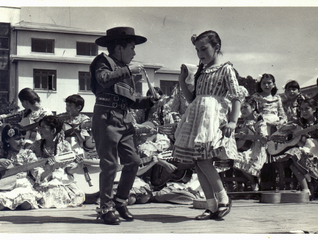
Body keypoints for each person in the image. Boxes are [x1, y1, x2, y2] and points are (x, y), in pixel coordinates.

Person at [89, 26, 159, 225]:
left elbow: (131, 100)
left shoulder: (126, 72)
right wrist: (128, 70)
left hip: (124, 119)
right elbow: (103, 80)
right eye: (131, 48)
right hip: (106, 118)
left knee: (134, 161)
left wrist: (150, 101)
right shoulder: (103, 61)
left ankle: (120, 201)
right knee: (109, 165)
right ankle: (105, 207)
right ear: (119, 48)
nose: (134, 53)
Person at [173, 30, 241, 220]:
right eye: (197, 50)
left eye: (204, 49)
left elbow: (236, 97)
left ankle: (223, 199)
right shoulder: (201, 72)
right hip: (198, 119)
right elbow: (192, 99)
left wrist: (233, 121)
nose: (200, 54)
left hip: (212, 120)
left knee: (204, 160)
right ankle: (211, 206)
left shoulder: (225, 69)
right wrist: (182, 80)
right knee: (198, 162)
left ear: (216, 48)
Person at [29, 115, 85, 208]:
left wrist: (79, 166)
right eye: (39, 127)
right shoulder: (36, 145)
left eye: (43, 127)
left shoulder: (64, 145)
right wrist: (47, 170)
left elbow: (68, 169)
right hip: (42, 177)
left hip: (60, 177)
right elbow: (32, 166)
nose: (39, 130)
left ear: (53, 130)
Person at [273, 98, 318, 200]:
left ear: (314, 109)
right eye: (302, 109)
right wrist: (289, 127)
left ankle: (308, 185)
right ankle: (307, 187)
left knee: (293, 166)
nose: (304, 111)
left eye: (307, 109)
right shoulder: (299, 123)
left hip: (315, 149)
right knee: (292, 155)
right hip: (304, 148)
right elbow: (282, 130)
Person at [0, 124, 41, 210]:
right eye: (18, 139)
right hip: (4, 184)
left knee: (26, 204)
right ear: (7, 139)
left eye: (23, 138)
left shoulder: (28, 154)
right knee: (0, 205)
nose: (22, 141)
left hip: (22, 184)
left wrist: (41, 177)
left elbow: (36, 170)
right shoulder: (1, 153)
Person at [233, 96, 268, 191]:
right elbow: (235, 136)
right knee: (235, 158)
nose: (242, 110)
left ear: (253, 108)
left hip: (256, 149)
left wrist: (245, 137)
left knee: (241, 160)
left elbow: (263, 138)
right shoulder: (241, 121)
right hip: (245, 148)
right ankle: (253, 182)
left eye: (245, 107)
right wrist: (237, 135)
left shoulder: (259, 120)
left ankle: (253, 182)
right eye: (241, 108)